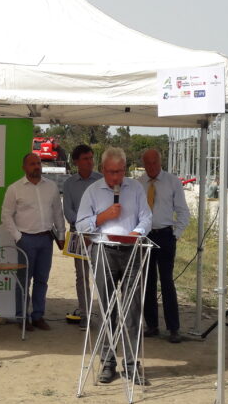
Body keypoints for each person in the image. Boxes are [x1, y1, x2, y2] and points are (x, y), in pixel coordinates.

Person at [76, 147, 152, 384]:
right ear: (102, 170)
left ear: (125, 170)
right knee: (107, 309)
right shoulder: (92, 191)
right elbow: (80, 225)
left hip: (131, 251)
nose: (116, 178)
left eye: (119, 172)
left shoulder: (136, 188)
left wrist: (135, 233)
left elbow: (147, 218)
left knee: (132, 309)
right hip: (103, 251)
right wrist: (103, 217)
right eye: (111, 172)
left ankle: (131, 364)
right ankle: (107, 362)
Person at [1, 153, 65, 331]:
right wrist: (18, 237)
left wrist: (61, 235)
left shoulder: (51, 187)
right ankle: (22, 317)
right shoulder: (15, 189)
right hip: (26, 239)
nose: (36, 166)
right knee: (23, 281)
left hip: (46, 239)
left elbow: (58, 213)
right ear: (24, 167)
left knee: (42, 280)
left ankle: (38, 316)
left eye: (38, 163)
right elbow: (6, 215)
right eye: (32, 164)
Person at [139, 148, 190, 344]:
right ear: (143, 164)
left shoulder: (172, 182)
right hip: (145, 237)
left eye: (154, 162)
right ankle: (151, 325)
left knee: (167, 282)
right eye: (147, 163)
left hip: (165, 236)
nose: (151, 166)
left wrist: (175, 235)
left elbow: (183, 212)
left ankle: (173, 328)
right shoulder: (139, 184)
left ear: (160, 162)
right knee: (147, 282)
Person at [62, 144, 102, 330]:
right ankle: (85, 314)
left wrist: (92, 228)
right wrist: (83, 229)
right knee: (82, 276)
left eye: (91, 158)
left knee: (102, 275)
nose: (90, 162)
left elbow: (105, 208)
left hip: (99, 235)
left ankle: (105, 314)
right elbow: (68, 211)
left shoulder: (101, 180)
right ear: (77, 161)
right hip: (79, 236)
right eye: (86, 159)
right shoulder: (69, 183)